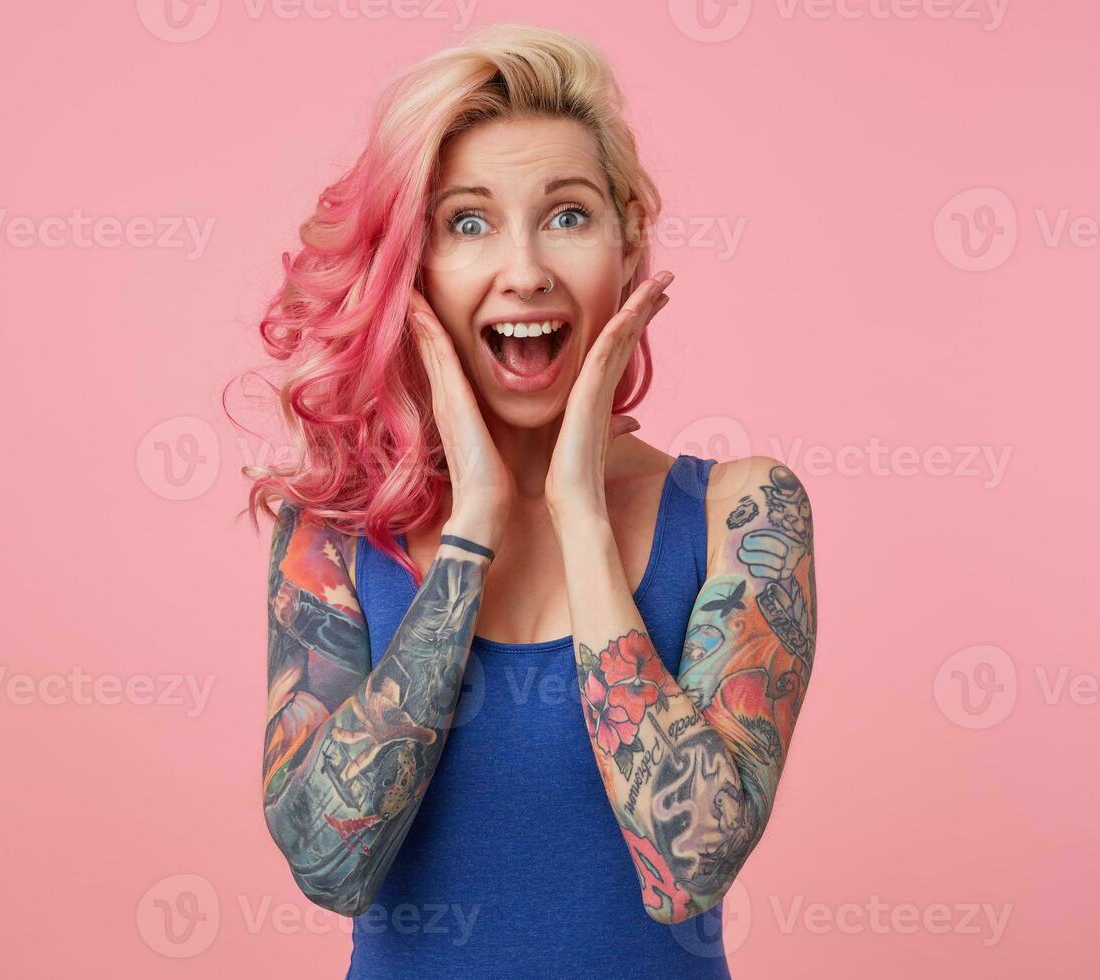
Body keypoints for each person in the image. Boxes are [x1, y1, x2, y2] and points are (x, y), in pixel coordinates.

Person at [245, 24, 817, 979]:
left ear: (628, 243)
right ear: (411, 269)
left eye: (568, 215)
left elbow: (690, 867)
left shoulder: (742, 515)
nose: (526, 271)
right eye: (467, 222)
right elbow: (327, 864)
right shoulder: (335, 538)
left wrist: (581, 519)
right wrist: (470, 532)